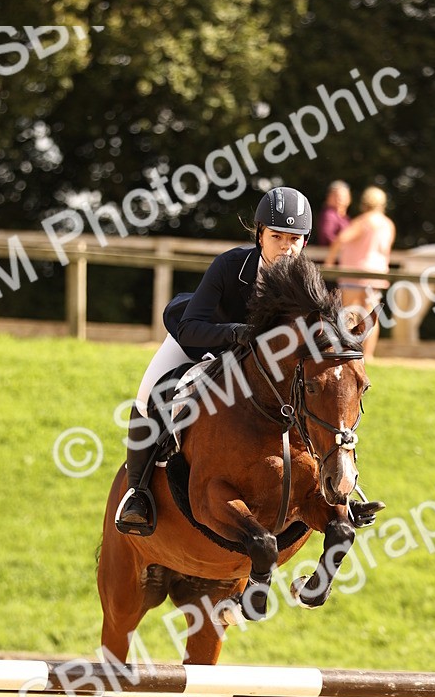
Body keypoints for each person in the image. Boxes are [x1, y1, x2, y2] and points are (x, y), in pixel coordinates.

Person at [115, 186, 312, 536]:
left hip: (253, 362)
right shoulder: (230, 265)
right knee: (150, 395)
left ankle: (335, 489)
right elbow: (192, 327)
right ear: (260, 235)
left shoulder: (304, 281)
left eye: (294, 238)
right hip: (198, 341)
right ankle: (138, 494)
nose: (286, 246)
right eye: (277, 236)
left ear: (305, 241)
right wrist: (236, 332)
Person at [325, 186, 395, 361]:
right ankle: (368, 354)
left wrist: (330, 261)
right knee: (371, 315)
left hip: (355, 272)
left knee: (349, 313)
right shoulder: (388, 224)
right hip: (378, 275)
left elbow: (341, 238)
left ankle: (349, 351)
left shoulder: (362, 221)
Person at [317, 180, 352, 247]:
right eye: (336, 196)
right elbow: (327, 236)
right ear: (329, 197)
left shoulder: (345, 217)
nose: (340, 199)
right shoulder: (328, 215)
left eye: (343, 196)